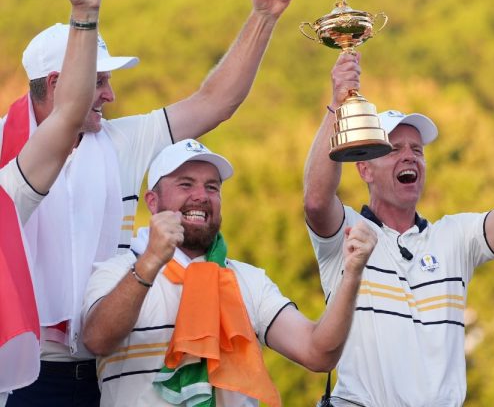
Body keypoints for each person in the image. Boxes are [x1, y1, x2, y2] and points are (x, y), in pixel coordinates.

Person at [1, 0, 294, 405]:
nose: (111, 95)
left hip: (102, 366)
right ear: (58, 82)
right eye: (98, 81)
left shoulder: (123, 140)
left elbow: (215, 102)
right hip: (20, 368)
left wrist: (263, 18)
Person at [302, 25, 494, 406]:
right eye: (393, 148)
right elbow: (316, 200)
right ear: (364, 168)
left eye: (417, 149)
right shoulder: (347, 231)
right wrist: (337, 104)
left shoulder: (454, 236)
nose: (410, 155)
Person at [80, 139, 376, 407]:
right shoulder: (117, 271)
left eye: (212, 187)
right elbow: (96, 340)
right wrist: (150, 262)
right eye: (185, 184)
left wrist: (350, 275)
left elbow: (318, 353)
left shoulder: (250, 280)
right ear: (152, 201)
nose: (201, 196)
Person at [0, 0, 102, 404]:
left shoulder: (10, 186)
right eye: (100, 81)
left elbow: (65, 119)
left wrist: (84, 16)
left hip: (81, 364)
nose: (110, 95)